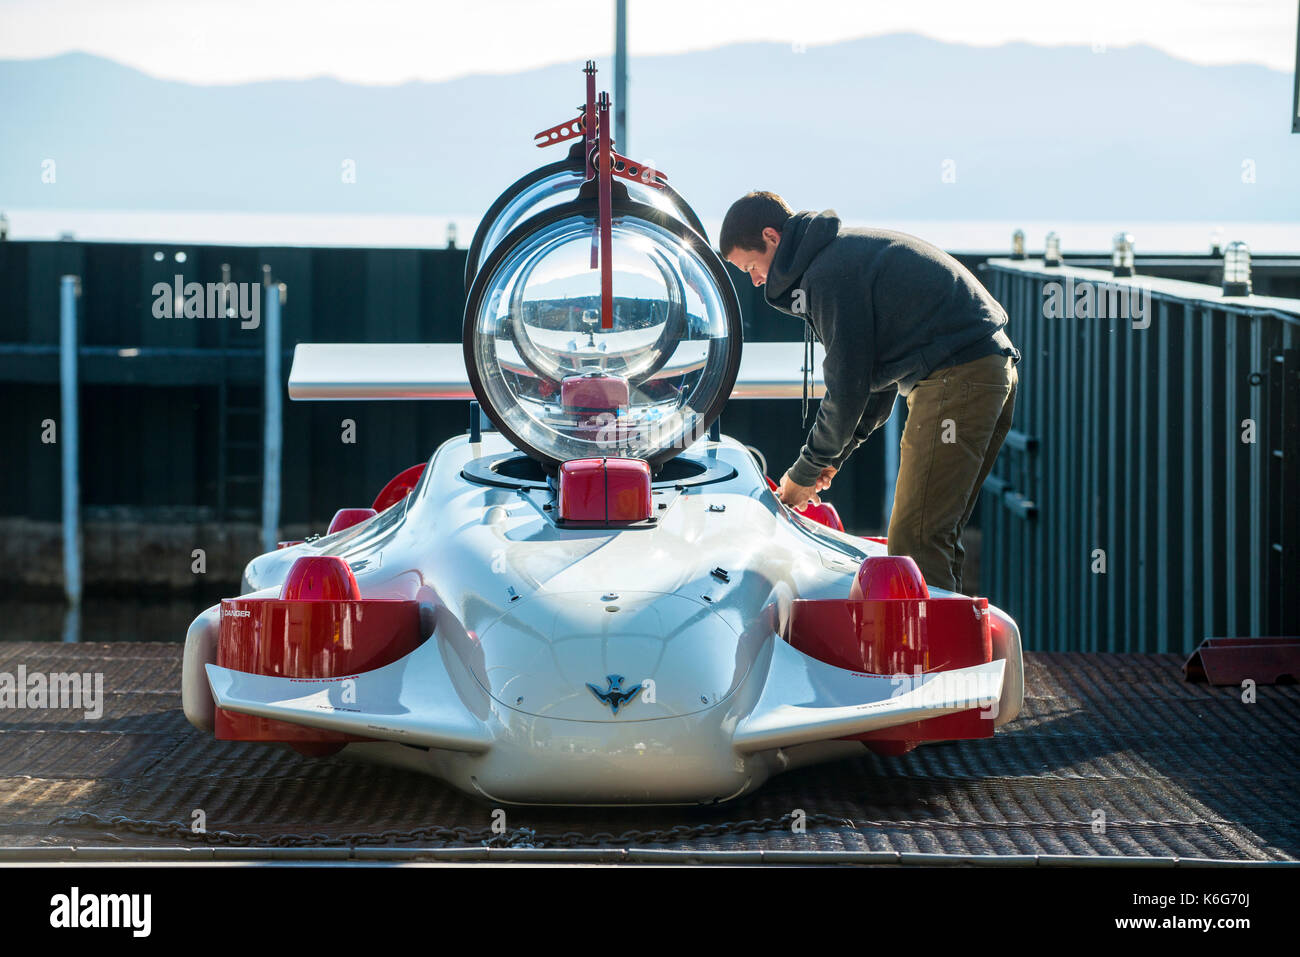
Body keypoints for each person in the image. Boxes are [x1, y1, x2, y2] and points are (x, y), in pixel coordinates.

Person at [720, 190, 1020, 595]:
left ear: (771, 238)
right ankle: (948, 647)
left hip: (958, 378)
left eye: (751, 267)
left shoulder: (827, 274)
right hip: (985, 371)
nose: (755, 281)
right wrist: (833, 459)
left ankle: (924, 658)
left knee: (915, 542)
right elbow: (872, 386)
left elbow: (846, 387)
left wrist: (803, 473)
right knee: (934, 536)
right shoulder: (839, 256)